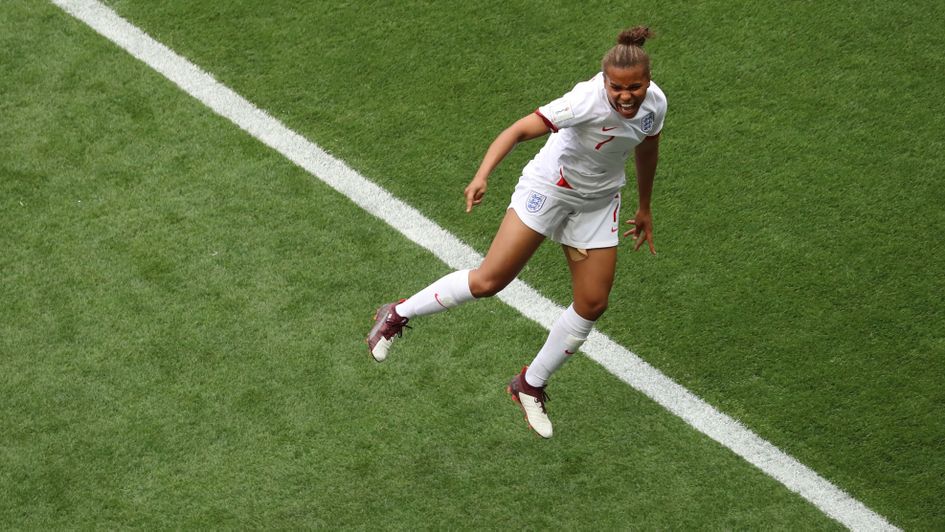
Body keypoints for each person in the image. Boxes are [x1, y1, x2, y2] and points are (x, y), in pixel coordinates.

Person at [367, 26, 666, 438]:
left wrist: (644, 205)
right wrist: (482, 175)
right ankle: (396, 314)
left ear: (648, 82)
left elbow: (648, 147)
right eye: (617, 87)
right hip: (548, 190)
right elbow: (518, 130)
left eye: (634, 86)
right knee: (490, 280)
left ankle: (530, 384)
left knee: (593, 303)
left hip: (596, 204)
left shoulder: (655, 105)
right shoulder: (584, 101)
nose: (625, 95)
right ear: (604, 81)